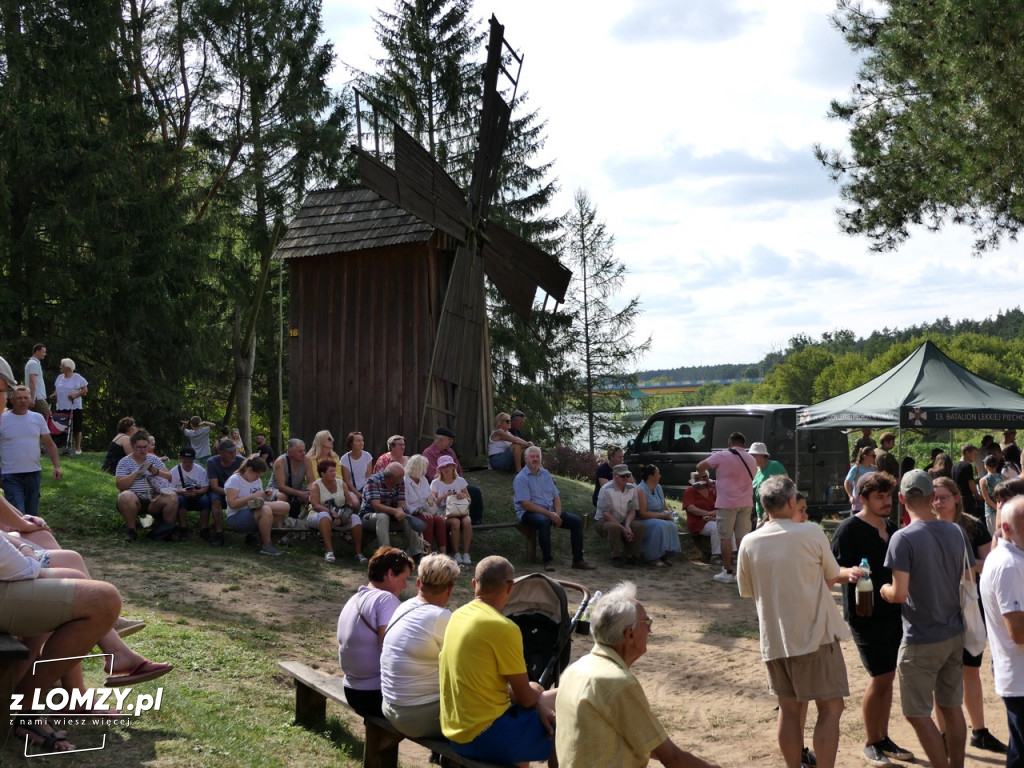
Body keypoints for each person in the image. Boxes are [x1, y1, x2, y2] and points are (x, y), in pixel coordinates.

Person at [737, 475, 857, 768]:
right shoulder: (811, 533)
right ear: (791, 501)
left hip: (774, 637)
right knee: (831, 707)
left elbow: (747, 590)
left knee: (789, 710)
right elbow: (832, 577)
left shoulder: (749, 542)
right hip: (814, 635)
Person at [555, 582, 722, 768]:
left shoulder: (575, 669)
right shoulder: (617, 683)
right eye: (647, 622)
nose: (650, 630)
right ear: (630, 634)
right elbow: (672, 758)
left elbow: (649, 742)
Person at [881, 469, 972, 768]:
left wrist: (882, 589)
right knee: (951, 707)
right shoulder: (955, 531)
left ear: (901, 498)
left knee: (916, 712)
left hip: (921, 637)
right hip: (953, 631)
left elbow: (898, 593)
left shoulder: (902, 538)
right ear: (933, 498)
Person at [830, 472, 916, 766]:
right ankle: (870, 742)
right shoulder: (848, 530)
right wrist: (850, 572)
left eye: (888, 496)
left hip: (894, 613)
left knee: (888, 677)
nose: (886, 502)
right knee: (880, 677)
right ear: (862, 498)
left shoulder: (892, 528)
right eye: (879, 497)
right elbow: (832, 571)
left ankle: (882, 736)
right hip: (865, 614)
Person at [439, 555, 558, 765]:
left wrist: (536, 699)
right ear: (510, 587)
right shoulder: (504, 628)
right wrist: (537, 693)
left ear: (474, 584)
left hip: (454, 731)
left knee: (541, 704)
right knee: (562, 718)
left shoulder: (457, 615)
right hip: (482, 736)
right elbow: (526, 698)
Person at [930, 476, 1005, 753]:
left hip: (971, 605)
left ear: (956, 497)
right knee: (941, 674)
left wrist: (964, 565)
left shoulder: (972, 526)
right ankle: (944, 734)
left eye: (943, 497)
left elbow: (988, 564)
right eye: (934, 498)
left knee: (971, 670)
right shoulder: (926, 527)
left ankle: (979, 730)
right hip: (938, 608)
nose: (938, 502)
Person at [380, 553, 460, 738]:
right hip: (416, 717)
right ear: (450, 589)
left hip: (389, 706)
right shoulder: (441, 617)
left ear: (418, 583)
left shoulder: (404, 606)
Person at [337, 546, 414, 718]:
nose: (405, 585)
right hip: (374, 693)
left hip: (351, 690)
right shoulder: (386, 599)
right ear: (390, 574)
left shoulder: (354, 598)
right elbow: (390, 649)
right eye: (404, 578)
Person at [979, 495, 1024, 765]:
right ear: (1005, 528)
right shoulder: (1010, 566)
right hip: (1020, 680)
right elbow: (1017, 632)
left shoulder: (1007, 556)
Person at [514, 446, 595, 572]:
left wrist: (556, 514)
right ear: (525, 459)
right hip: (529, 513)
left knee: (576, 521)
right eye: (532, 456)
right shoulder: (521, 478)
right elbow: (526, 505)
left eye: (537, 456)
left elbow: (556, 497)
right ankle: (547, 560)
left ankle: (578, 560)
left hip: (550, 511)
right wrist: (549, 514)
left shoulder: (545, 474)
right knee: (544, 521)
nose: (535, 459)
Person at [696, 431, 756, 584]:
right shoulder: (751, 458)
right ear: (744, 444)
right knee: (742, 538)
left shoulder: (722, 455)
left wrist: (705, 478)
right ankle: (742, 573)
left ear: (730, 444)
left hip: (727, 502)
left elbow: (700, 466)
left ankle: (727, 571)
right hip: (746, 502)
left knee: (725, 537)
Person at [0, 385, 62, 517]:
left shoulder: (37, 418)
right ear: (12, 400)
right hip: (11, 474)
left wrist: (56, 466)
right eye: (19, 398)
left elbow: (50, 444)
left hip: (33, 474)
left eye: (25, 398)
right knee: (18, 515)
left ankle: (30, 538)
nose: (22, 401)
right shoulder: (2, 419)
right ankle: (18, 537)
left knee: (32, 514)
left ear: (30, 399)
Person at [115, 430, 175, 541]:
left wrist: (156, 472)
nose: (142, 450)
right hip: (135, 499)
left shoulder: (154, 459)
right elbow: (120, 485)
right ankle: (132, 531)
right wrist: (137, 473)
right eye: (139, 447)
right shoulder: (124, 462)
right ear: (132, 446)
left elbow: (169, 477)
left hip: (154, 498)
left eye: (145, 447)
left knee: (172, 497)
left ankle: (165, 532)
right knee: (125, 496)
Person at [224, 455, 289, 555]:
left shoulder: (257, 481)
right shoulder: (235, 480)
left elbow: (258, 498)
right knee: (266, 509)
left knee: (284, 507)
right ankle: (266, 545)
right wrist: (252, 496)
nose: (257, 479)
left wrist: (265, 497)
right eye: (256, 476)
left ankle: (269, 537)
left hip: (254, 511)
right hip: (236, 516)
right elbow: (232, 504)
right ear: (249, 470)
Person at [359, 463, 425, 560]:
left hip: (391, 517)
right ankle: (386, 553)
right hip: (369, 516)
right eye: (401, 477)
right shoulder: (373, 481)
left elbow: (402, 502)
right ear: (391, 479)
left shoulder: (400, 481)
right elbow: (376, 506)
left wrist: (400, 510)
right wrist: (395, 511)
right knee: (382, 516)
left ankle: (417, 553)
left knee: (407, 518)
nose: (403, 479)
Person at [422, 427, 484, 524]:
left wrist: (458, 483)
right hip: (438, 485)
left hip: (454, 482)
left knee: (475, 491)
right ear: (441, 440)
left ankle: (476, 520)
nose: (451, 441)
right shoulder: (428, 453)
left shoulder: (450, 451)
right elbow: (431, 475)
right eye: (449, 439)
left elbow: (459, 470)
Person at [310, 458, 365, 564]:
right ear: (323, 473)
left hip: (341, 514)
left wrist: (346, 515)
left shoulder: (341, 484)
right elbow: (315, 505)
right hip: (319, 515)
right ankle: (329, 552)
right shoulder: (316, 486)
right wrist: (332, 513)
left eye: (334, 470)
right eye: (331, 471)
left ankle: (358, 553)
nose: (334, 473)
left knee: (356, 518)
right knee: (324, 515)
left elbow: (349, 503)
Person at [595, 464, 645, 567]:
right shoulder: (606, 489)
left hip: (623, 519)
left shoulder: (632, 488)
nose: (626, 478)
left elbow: (632, 510)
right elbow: (606, 514)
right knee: (615, 527)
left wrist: (627, 526)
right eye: (623, 476)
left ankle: (632, 556)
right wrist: (623, 528)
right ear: (614, 476)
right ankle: (616, 556)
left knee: (638, 526)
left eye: (627, 475)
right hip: (604, 521)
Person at [430, 455, 473, 566]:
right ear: (439, 469)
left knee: (467, 521)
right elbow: (433, 504)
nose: (447, 469)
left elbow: (469, 500)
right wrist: (444, 496)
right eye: (444, 467)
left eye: (449, 466)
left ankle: (466, 553)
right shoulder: (435, 483)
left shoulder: (460, 481)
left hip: (460, 510)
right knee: (455, 522)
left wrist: (462, 496)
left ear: (453, 467)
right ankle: (456, 553)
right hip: (444, 512)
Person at [635, 464, 682, 566]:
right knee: (660, 525)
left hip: (660, 516)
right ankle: (652, 557)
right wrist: (662, 516)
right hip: (645, 519)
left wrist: (669, 514)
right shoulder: (640, 490)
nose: (660, 476)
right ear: (651, 476)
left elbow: (664, 507)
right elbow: (642, 513)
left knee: (672, 523)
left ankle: (664, 554)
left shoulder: (658, 487)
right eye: (658, 473)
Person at [404, 454, 447, 557]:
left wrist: (430, 497)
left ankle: (443, 553)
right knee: (429, 519)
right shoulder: (404, 481)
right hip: (412, 513)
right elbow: (405, 505)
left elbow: (428, 494)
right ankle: (427, 552)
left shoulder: (423, 479)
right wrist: (420, 512)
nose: (426, 471)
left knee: (440, 520)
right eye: (424, 468)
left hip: (425, 510)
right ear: (418, 468)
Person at [167, 446, 210, 541]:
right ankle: (183, 528)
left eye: (190, 461)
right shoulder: (174, 471)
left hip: (197, 496)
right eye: (185, 461)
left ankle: (204, 529)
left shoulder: (201, 470)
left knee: (206, 501)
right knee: (180, 500)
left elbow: (206, 488)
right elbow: (169, 488)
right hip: (182, 496)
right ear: (180, 459)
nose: (188, 464)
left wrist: (197, 492)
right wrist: (180, 492)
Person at [204, 438, 242, 546]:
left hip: (238, 493)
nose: (233, 454)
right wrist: (231, 493)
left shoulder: (242, 462)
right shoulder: (212, 462)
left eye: (235, 451)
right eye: (230, 452)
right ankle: (219, 534)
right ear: (221, 453)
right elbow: (214, 487)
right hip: (220, 492)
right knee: (215, 501)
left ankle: (251, 533)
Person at [683, 470, 722, 565]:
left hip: (713, 518)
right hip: (697, 522)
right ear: (693, 480)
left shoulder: (713, 490)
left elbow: (721, 505)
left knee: (728, 525)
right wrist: (708, 513)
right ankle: (715, 556)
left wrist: (715, 515)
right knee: (716, 528)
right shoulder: (690, 490)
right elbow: (691, 508)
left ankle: (732, 553)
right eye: (697, 478)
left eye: (704, 477)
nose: (701, 480)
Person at [51, 358, 87, 454]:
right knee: (61, 426)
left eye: (62, 366)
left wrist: (75, 396)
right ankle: (62, 446)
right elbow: (57, 388)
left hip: (74, 406)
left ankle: (78, 447)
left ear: (67, 367)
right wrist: (54, 394)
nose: (60, 367)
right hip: (61, 405)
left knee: (76, 427)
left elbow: (84, 389)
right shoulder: (59, 377)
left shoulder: (77, 377)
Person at [272, 438, 314, 520]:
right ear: (290, 452)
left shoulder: (307, 460)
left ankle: (305, 522)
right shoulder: (280, 462)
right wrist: (300, 494)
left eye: (304, 450)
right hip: (277, 490)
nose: (304, 453)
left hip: (298, 488)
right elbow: (281, 486)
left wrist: (308, 491)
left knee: (315, 493)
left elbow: (311, 480)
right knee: (282, 497)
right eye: (300, 451)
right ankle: (278, 526)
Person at [749, 441, 786, 526]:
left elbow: (787, 484)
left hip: (774, 515)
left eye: (753, 455)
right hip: (760, 515)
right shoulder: (756, 470)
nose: (751, 457)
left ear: (762, 455)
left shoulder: (775, 465)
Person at [341, 430, 373, 510]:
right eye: (358, 441)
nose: (361, 443)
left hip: (365, 487)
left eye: (362, 440)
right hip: (352, 489)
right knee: (356, 504)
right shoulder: (345, 459)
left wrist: (365, 491)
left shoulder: (367, 456)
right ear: (351, 443)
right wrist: (357, 493)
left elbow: (369, 476)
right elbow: (346, 481)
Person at [952, 443, 983, 518]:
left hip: (957, 499)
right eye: (974, 454)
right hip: (967, 499)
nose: (975, 457)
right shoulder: (967, 465)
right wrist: (978, 496)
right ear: (966, 453)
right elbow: (971, 484)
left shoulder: (954, 466)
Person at [844, 446, 875, 514]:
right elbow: (847, 482)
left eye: (874, 455)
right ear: (865, 456)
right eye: (873, 455)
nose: (874, 457)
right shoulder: (856, 468)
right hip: (858, 502)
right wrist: (850, 496)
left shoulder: (874, 469)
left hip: (870, 502)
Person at [24, 343, 49, 415]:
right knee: (47, 417)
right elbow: (32, 381)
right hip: (37, 397)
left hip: (36, 396)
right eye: (43, 352)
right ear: (37, 351)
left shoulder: (34, 363)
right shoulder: (33, 364)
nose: (45, 354)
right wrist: (32, 398)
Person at [980, 454, 1002, 536]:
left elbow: (986, 498)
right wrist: (1000, 508)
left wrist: (997, 508)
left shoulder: (983, 480)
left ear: (985, 465)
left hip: (990, 511)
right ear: (997, 465)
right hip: (1002, 508)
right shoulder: (1003, 477)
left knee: (994, 536)